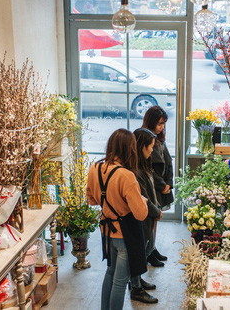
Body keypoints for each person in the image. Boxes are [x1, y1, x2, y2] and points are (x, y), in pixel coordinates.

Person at [86, 128, 149, 310]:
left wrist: (109, 202)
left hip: (106, 231)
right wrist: (142, 200)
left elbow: (91, 199)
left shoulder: (95, 168)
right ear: (129, 149)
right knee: (120, 282)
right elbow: (141, 214)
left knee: (110, 274)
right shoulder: (126, 175)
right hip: (124, 234)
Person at [128, 128, 163, 303]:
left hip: (147, 218)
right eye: (150, 146)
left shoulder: (143, 166)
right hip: (142, 218)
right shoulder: (135, 171)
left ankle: (136, 281)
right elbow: (144, 199)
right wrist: (156, 212)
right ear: (141, 146)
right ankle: (136, 288)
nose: (152, 150)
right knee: (138, 253)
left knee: (145, 249)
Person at [142, 106, 173, 266]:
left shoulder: (159, 139)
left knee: (155, 218)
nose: (161, 127)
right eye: (159, 123)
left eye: (164, 124)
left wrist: (169, 182)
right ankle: (149, 250)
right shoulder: (145, 139)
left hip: (161, 185)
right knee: (151, 218)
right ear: (152, 122)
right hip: (152, 186)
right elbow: (149, 168)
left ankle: (152, 248)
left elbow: (168, 162)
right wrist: (162, 185)